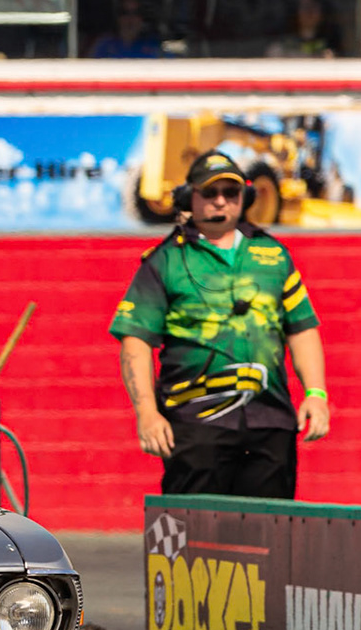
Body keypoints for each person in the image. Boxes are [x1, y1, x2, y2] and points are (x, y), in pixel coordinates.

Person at [111, 150, 330, 497]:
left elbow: (301, 328)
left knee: (268, 541)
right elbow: (135, 341)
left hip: (270, 424)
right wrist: (147, 414)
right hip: (195, 424)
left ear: (244, 198)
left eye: (231, 193)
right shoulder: (164, 260)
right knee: (194, 540)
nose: (220, 202)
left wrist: (316, 394)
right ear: (189, 198)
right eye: (209, 193)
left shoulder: (274, 255)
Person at [268, 0, 340, 59]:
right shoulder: (281, 47)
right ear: (296, 13)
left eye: (314, 7)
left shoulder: (329, 47)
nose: (309, 12)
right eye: (305, 7)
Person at [89, 0, 163, 58]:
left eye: (136, 13)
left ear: (142, 18)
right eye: (124, 12)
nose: (130, 18)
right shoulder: (104, 44)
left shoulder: (154, 45)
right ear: (117, 17)